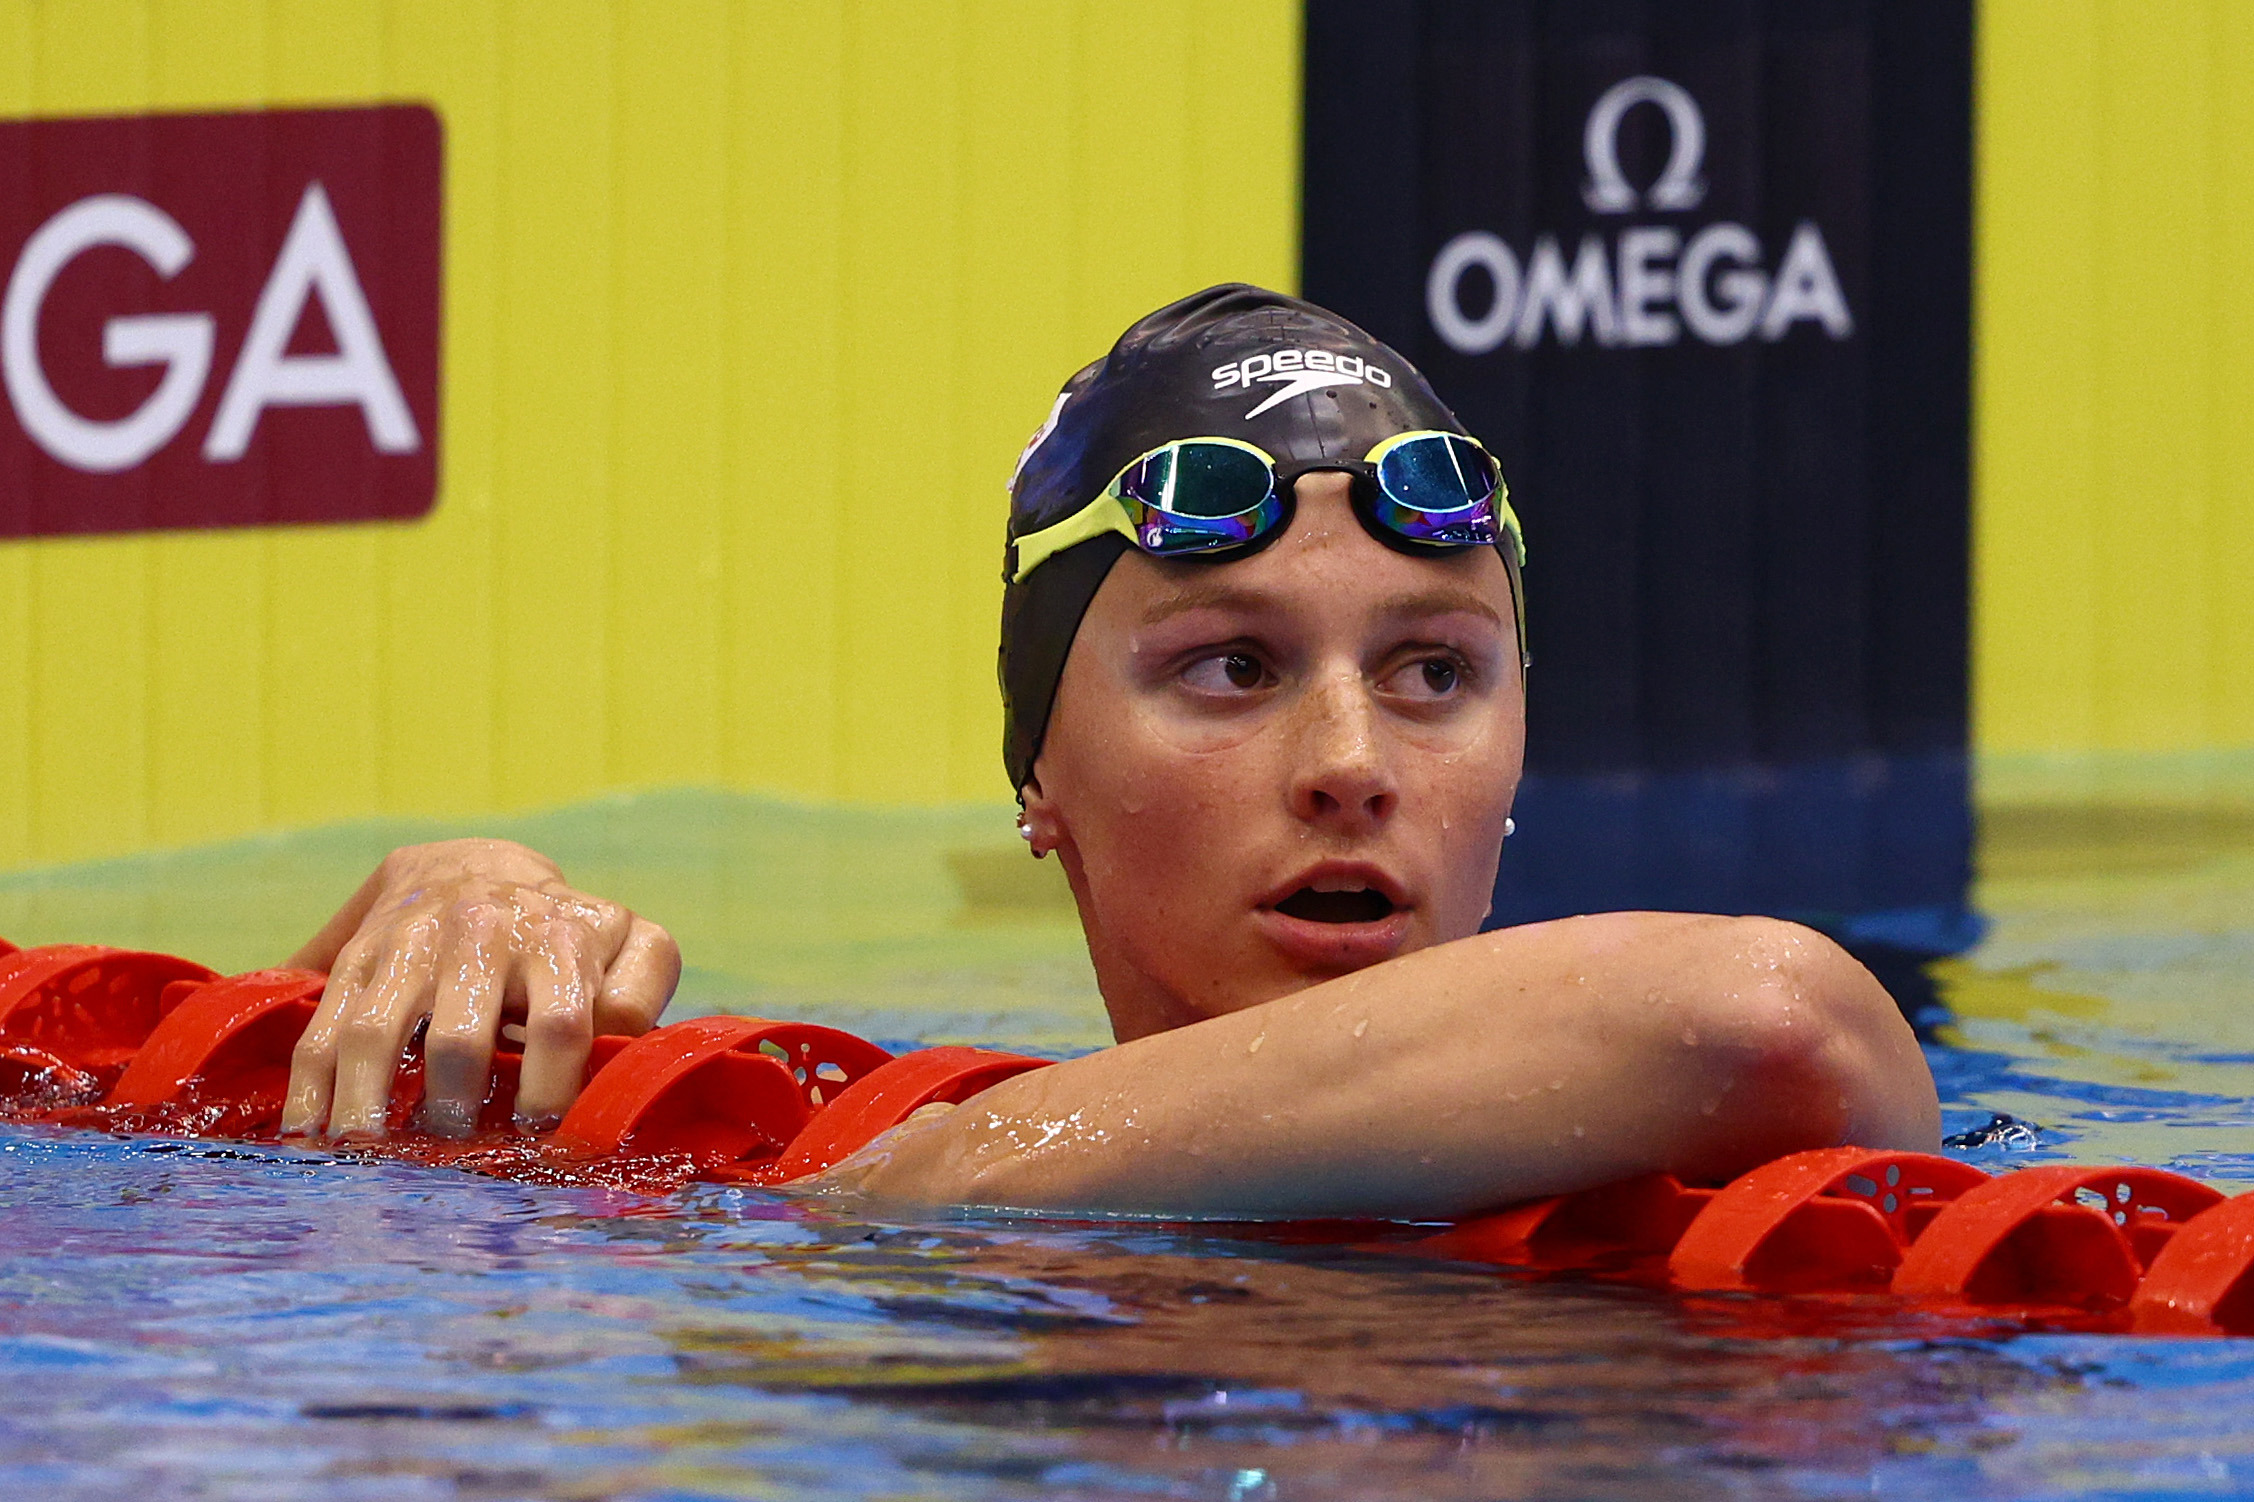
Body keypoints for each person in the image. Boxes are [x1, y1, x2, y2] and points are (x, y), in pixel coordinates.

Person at [280, 286, 1937, 1217]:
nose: (1351, 761)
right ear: (1039, 779)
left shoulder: (913, 1183)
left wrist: (921, 1192)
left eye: (1434, 668)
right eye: (1232, 663)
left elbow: (1774, 1021)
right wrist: (455, 897)